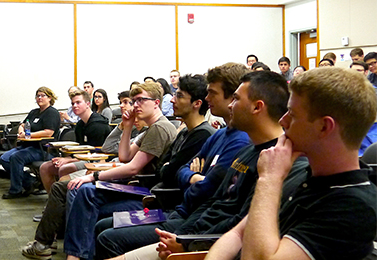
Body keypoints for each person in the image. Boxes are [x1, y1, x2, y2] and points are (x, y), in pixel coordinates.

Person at [110, 71, 309, 260]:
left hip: (203, 242)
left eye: (237, 99)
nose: (231, 105)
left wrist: (187, 241)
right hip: (191, 230)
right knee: (106, 225)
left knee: (108, 238)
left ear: (257, 107)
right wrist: (183, 235)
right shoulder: (247, 150)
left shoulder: (276, 161)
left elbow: (238, 221)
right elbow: (211, 200)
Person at [207, 67, 377, 260]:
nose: (282, 121)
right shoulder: (303, 177)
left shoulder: (352, 208)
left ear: (324, 127)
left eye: (292, 114)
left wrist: (269, 179)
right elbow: (237, 235)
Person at [93, 63, 251, 259]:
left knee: (105, 233)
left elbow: (205, 188)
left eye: (180, 96)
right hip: (177, 209)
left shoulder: (221, 137)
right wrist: (193, 176)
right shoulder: (209, 134)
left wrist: (190, 177)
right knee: (99, 219)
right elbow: (173, 171)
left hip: (178, 213)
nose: (173, 100)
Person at [21, 91, 148, 260]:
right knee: (57, 174)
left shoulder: (151, 130)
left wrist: (96, 175)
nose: (125, 107)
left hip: (117, 173)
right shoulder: (138, 132)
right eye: (126, 102)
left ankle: (52, 238)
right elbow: (111, 149)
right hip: (108, 165)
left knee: (67, 184)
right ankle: (52, 230)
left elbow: (127, 165)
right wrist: (122, 127)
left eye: (132, 102)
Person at [62, 82, 180, 260]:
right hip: (140, 186)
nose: (136, 105)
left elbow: (133, 167)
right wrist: (127, 126)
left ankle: (76, 256)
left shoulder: (160, 128)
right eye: (134, 101)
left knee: (86, 191)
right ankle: (79, 255)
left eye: (141, 100)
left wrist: (94, 176)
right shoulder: (151, 128)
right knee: (83, 193)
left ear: (156, 102)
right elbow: (124, 156)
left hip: (149, 193)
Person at [39, 89, 111, 194]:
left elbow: (95, 155)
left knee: (64, 168)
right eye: (73, 103)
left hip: (98, 161)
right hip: (84, 157)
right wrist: (66, 158)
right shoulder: (80, 125)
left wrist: (68, 160)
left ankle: (64, 202)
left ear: (88, 104)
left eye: (78, 102)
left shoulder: (98, 125)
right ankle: (54, 202)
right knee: (45, 167)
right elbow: (81, 149)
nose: (74, 106)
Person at [0, 86, 61, 199]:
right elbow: (22, 124)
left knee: (16, 158)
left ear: (50, 98)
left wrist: (29, 135)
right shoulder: (34, 112)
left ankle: (16, 190)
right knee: (4, 158)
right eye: (38, 96)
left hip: (42, 149)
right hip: (27, 145)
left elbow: (49, 132)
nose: (39, 98)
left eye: (43, 95)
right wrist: (21, 131)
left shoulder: (52, 113)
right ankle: (30, 181)